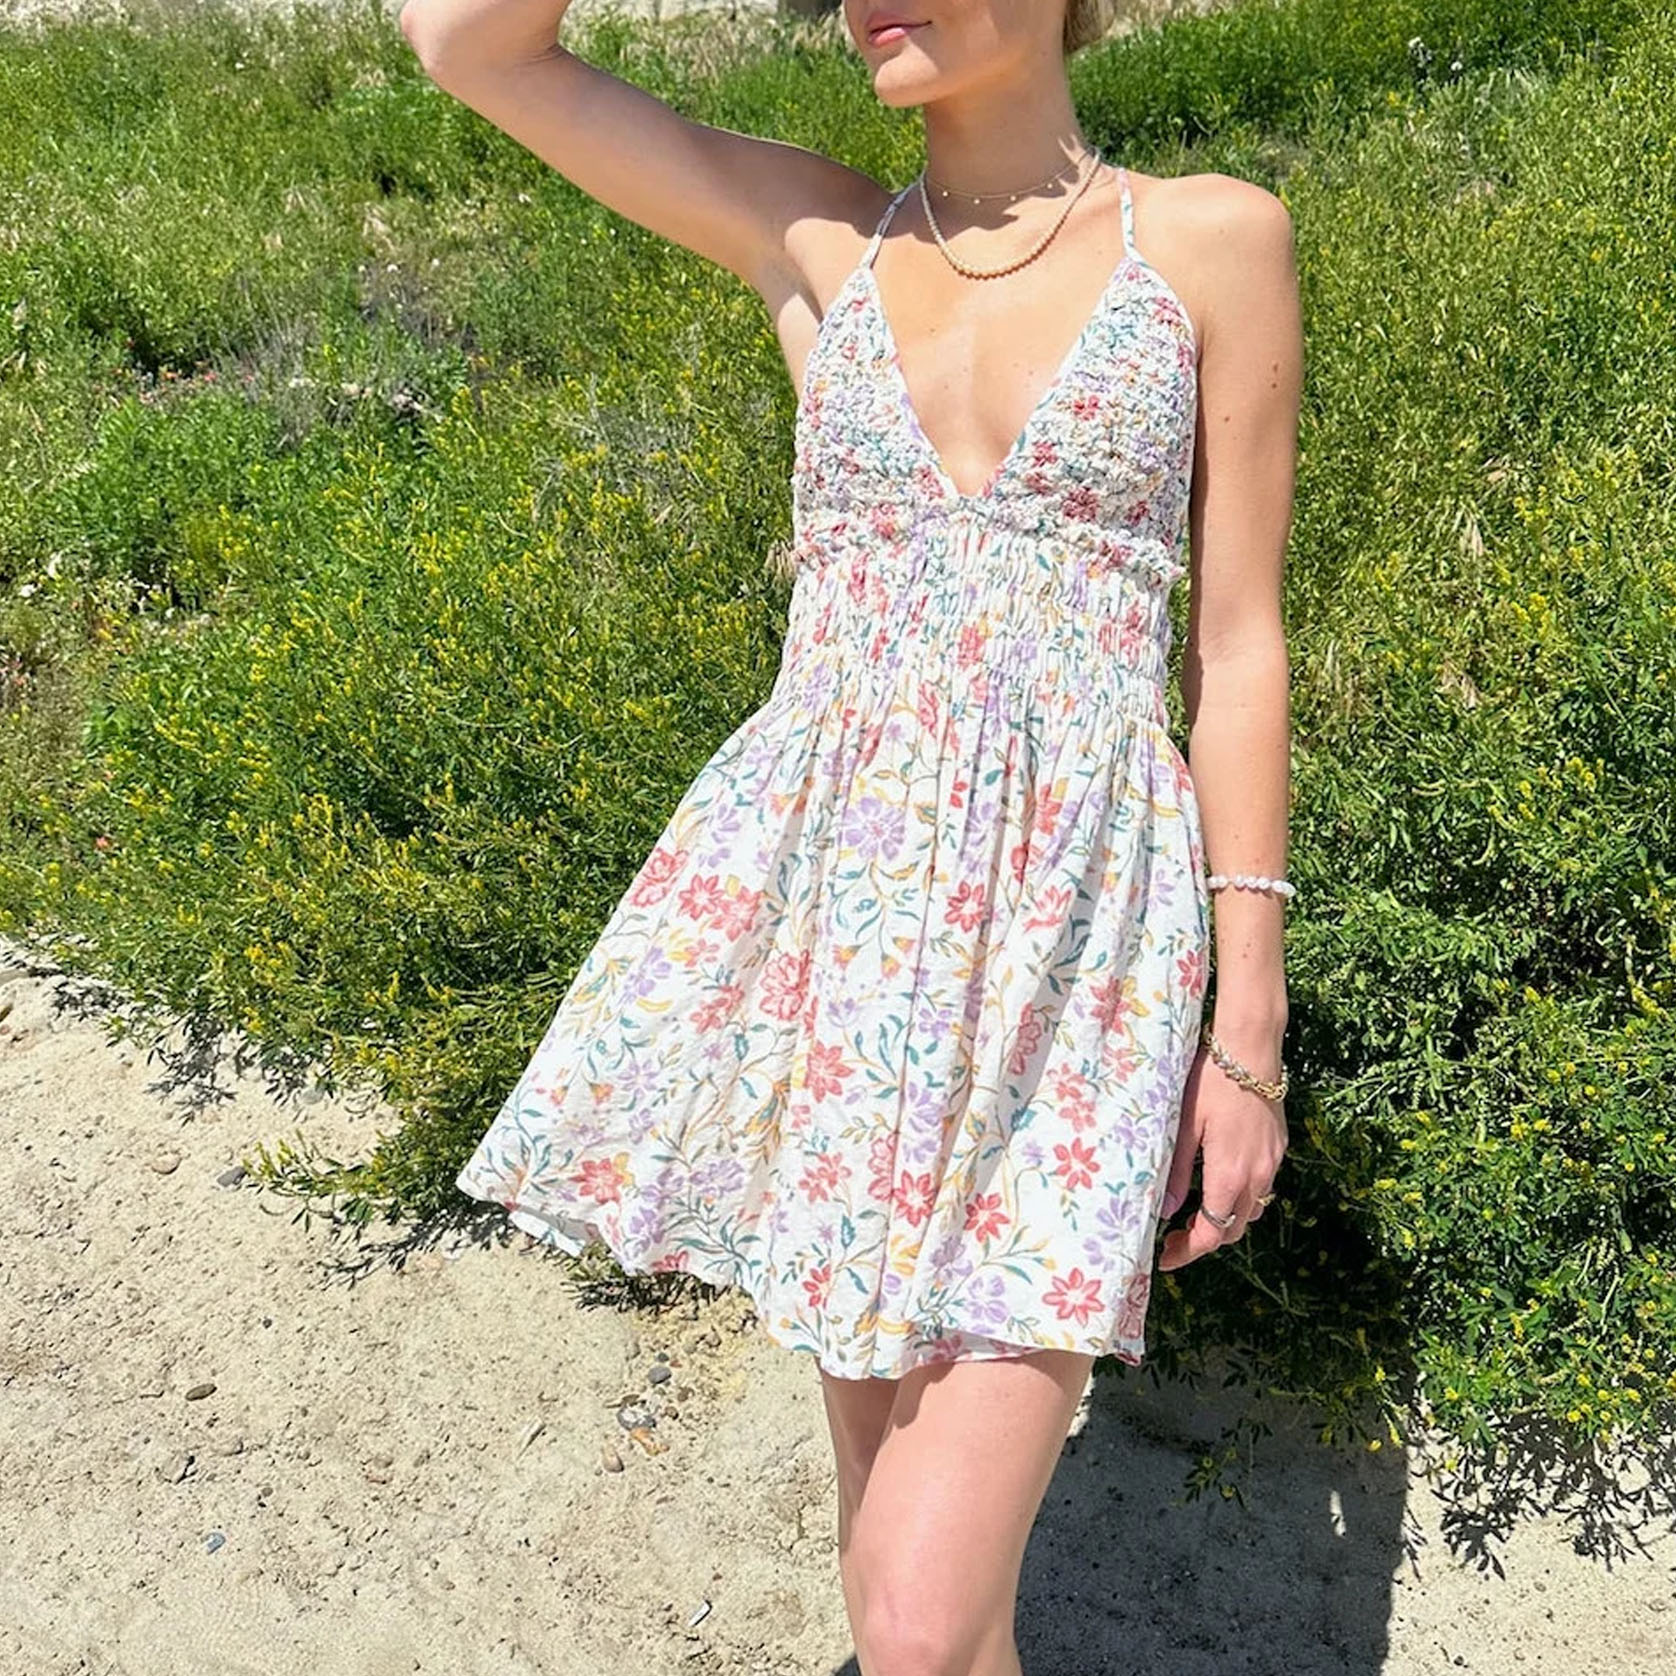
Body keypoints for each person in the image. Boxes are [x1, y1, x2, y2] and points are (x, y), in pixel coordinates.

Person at [404, 0, 1300, 1668]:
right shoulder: (815, 237)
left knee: (912, 1606)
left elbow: (1237, 647)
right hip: (845, 944)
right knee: (915, 1601)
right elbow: (467, 44)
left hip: (1078, 959)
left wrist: (1246, 1027)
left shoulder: (1208, 240)